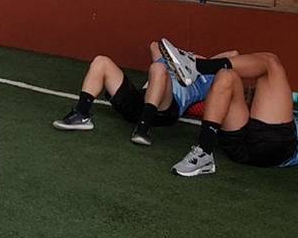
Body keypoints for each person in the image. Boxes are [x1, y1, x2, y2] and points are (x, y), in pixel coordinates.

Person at [52, 41, 234, 147]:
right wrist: (181, 56)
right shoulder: (169, 61)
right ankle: (81, 114)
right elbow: (155, 45)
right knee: (102, 61)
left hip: (166, 109)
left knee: (158, 68)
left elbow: (234, 53)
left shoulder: (209, 76)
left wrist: (202, 61)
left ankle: (143, 128)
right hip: (143, 100)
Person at [159, 41, 298, 176]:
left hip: (274, 147)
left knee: (271, 62)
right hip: (239, 144)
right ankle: (204, 151)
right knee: (226, 74)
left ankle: (197, 67)